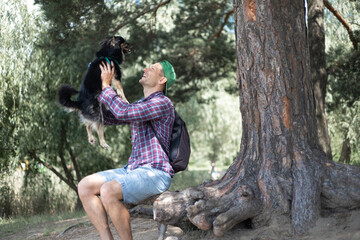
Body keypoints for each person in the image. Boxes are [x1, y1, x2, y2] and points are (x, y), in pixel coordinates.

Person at [77, 60, 176, 240]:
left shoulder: (163, 103)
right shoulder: (140, 105)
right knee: (85, 186)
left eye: (152, 68)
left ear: (162, 80)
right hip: (132, 169)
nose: (145, 69)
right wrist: (90, 98)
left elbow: (123, 112)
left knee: (108, 190)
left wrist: (107, 86)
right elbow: (112, 117)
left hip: (156, 172)